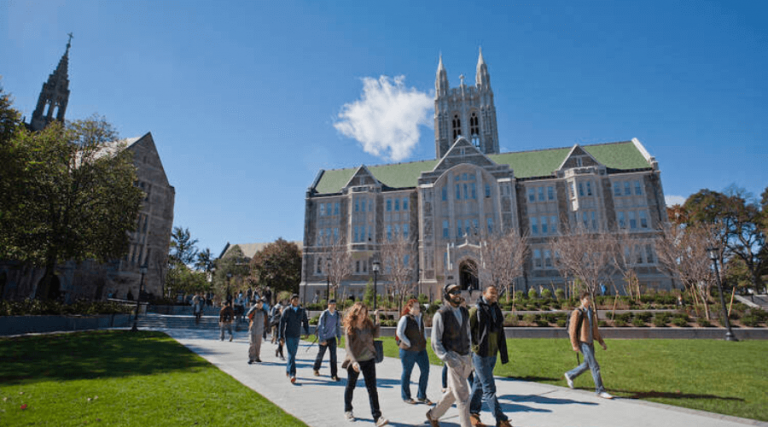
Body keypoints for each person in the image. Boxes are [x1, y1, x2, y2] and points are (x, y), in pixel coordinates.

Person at [426, 283, 473, 427]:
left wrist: (470, 353)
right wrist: (448, 358)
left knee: (454, 392)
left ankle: (433, 414)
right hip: (453, 357)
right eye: (454, 292)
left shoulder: (464, 312)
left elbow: (468, 333)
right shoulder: (441, 314)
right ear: (447, 295)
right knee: (463, 396)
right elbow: (435, 341)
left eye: (459, 291)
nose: (458, 294)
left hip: (466, 356)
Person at [469, 285, 511, 427]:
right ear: (484, 293)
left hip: (492, 354)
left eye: (496, 293)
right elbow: (465, 332)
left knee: (479, 384)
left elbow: (500, 333)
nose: (494, 295)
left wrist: (502, 352)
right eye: (491, 292)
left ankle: (472, 413)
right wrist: (472, 348)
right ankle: (501, 419)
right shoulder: (476, 310)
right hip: (480, 354)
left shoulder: (496, 310)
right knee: (489, 388)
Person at [341, 302, 388, 426]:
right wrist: (354, 361)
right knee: (350, 386)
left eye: (365, 313)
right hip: (355, 360)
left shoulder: (368, 324)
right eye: (360, 313)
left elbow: (376, 334)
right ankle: (348, 410)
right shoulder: (350, 327)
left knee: (372, 388)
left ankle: (377, 417)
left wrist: (377, 319)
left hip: (369, 359)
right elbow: (348, 347)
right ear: (355, 313)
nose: (362, 316)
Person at [564, 291, 613, 399]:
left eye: (589, 298)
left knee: (587, 364)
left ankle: (570, 375)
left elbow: (594, 329)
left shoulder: (591, 311)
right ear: (581, 300)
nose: (589, 301)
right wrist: (574, 345)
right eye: (586, 299)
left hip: (590, 342)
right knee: (594, 366)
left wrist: (601, 342)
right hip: (583, 342)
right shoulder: (577, 312)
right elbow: (572, 330)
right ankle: (600, 390)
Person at [397, 299, 432, 405]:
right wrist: (408, 343)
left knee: (425, 370)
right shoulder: (405, 318)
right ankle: (406, 396)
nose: (418, 309)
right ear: (410, 308)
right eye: (415, 307)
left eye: (418, 307)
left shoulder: (420, 317)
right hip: (408, 351)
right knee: (407, 372)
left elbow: (423, 330)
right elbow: (399, 332)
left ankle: (421, 396)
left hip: (421, 349)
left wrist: (425, 339)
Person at [279, 294, 309, 383]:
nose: (296, 301)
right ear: (291, 300)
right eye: (294, 299)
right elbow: (282, 324)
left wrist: (307, 331)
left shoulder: (302, 311)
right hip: (288, 335)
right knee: (291, 355)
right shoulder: (287, 310)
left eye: (297, 299)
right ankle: (293, 374)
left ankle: (288, 369)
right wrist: (281, 337)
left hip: (297, 335)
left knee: (292, 355)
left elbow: (305, 321)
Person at [313, 299, 342, 381]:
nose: (333, 306)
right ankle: (316, 368)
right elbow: (320, 327)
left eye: (334, 304)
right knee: (320, 355)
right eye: (331, 304)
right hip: (324, 338)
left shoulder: (336, 314)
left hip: (332, 338)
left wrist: (339, 337)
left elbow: (338, 327)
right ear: (328, 305)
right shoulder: (324, 314)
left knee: (333, 357)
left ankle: (334, 375)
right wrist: (322, 339)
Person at [247, 298, 268, 364]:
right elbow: (248, 315)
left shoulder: (264, 312)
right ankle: (251, 358)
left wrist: (267, 328)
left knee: (258, 345)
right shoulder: (253, 310)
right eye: (259, 304)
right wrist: (254, 308)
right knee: (252, 343)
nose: (260, 305)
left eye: (261, 304)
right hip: (253, 329)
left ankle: (257, 357)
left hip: (260, 330)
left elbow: (266, 321)